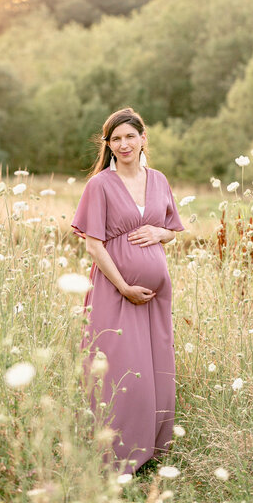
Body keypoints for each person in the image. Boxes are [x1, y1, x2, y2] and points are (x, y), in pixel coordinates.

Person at [71, 107, 184, 474]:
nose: (123, 144)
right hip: (116, 291)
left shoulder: (160, 180)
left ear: (142, 139)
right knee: (122, 372)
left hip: (155, 296)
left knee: (156, 369)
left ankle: (151, 450)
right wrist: (124, 287)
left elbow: (172, 228)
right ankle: (115, 458)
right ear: (108, 144)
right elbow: (93, 243)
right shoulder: (100, 184)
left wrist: (159, 233)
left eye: (129, 137)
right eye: (115, 138)